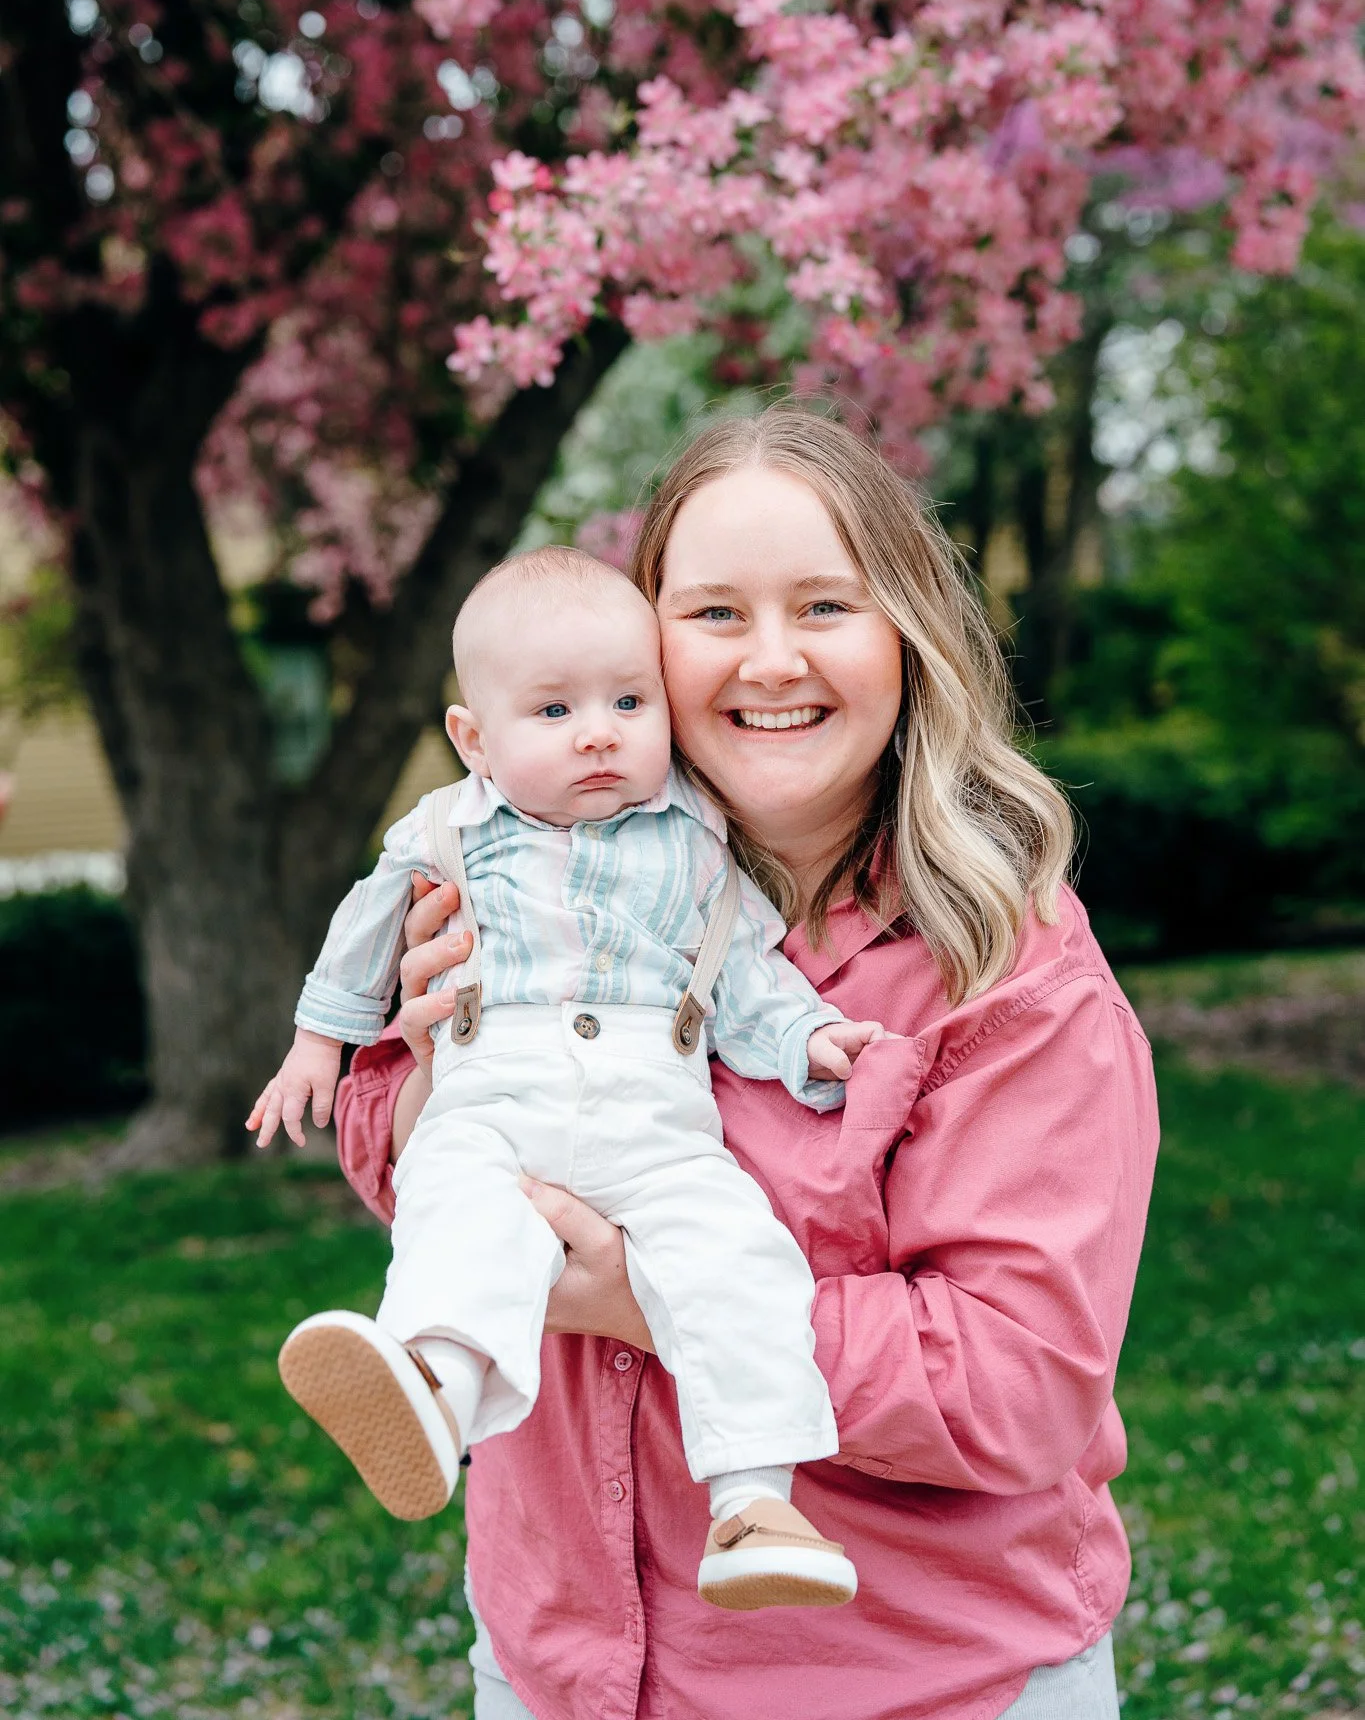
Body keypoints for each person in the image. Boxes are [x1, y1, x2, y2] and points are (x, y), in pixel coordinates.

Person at [336, 405, 1160, 1720]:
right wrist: (437, 1077)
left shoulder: (1009, 971)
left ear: (906, 636)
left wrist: (642, 1296)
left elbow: (1015, 1386)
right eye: (714, 613)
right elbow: (428, 1186)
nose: (768, 661)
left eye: (824, 606)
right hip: (559, 1665)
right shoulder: (509, 876)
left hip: (910, 1681)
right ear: (639, 638)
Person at [251, 546, 880, 1609]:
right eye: (553, 710)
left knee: (735, 1258)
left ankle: (756, 1499)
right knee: (462, 1209)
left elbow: (743, 967)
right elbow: (366, 926)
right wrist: (320, 1038)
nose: (598, 730)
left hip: (659, 1117)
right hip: (499, 1088)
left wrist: (808, 1038)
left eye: (629, 700)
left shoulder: (700, 839)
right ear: (474, 737)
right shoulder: (450, 828)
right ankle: (433, 1388)